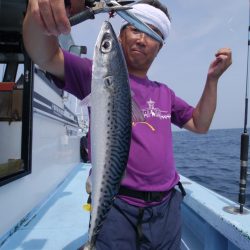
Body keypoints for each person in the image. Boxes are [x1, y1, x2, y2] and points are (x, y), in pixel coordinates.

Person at [23, 0, 232, 249]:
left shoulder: (165, 93)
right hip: (116, 205)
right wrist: (40, 18)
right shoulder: (94, 74)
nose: (142, 40)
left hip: (166, 209)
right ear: (122, 36)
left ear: (159, 47)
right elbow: (44, 55)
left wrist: (213, 79)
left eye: (151, 33)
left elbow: (200, 124)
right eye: (135, 29)